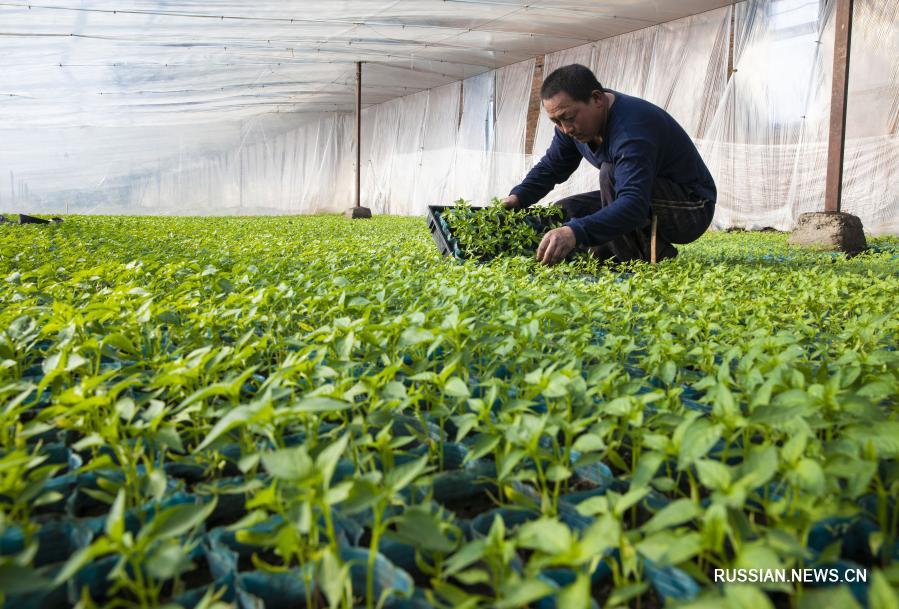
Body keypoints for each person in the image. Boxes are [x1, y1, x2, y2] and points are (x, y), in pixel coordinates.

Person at [502, 64, 716, 265]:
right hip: (648, 198)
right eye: (556, 122)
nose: (565, 129)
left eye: (568, 118)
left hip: (692, 207)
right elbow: (552, 166)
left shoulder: (631, 129)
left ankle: (632, 262)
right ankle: (652, 250)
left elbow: (633, 204)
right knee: (566, 211)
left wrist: (576, 232)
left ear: (597, 99)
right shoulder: (570, 127)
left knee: (610, 173)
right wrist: (518, 197)